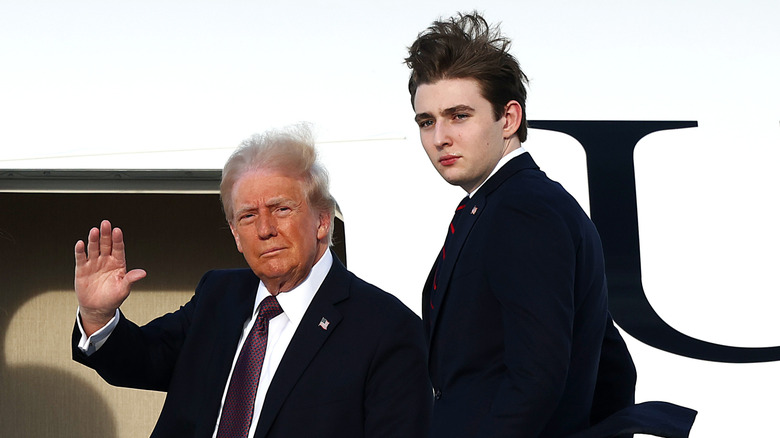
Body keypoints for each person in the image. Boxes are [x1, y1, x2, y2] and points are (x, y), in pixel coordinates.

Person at [71, 124, 431, 438]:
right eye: (247, 216)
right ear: (235, 235)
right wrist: (97, 315)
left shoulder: (388, 329)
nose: (264, 229)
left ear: (322, 220)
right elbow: (142, 359)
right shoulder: (218, 295)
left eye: (281, 209)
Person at [405, 12, 638, 437]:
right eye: (427, 121)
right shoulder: (512, 204)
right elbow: (614, 367)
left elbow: (536, 379)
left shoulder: (523, 210)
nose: (439, 138)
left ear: (509, 119)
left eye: (459, 115)